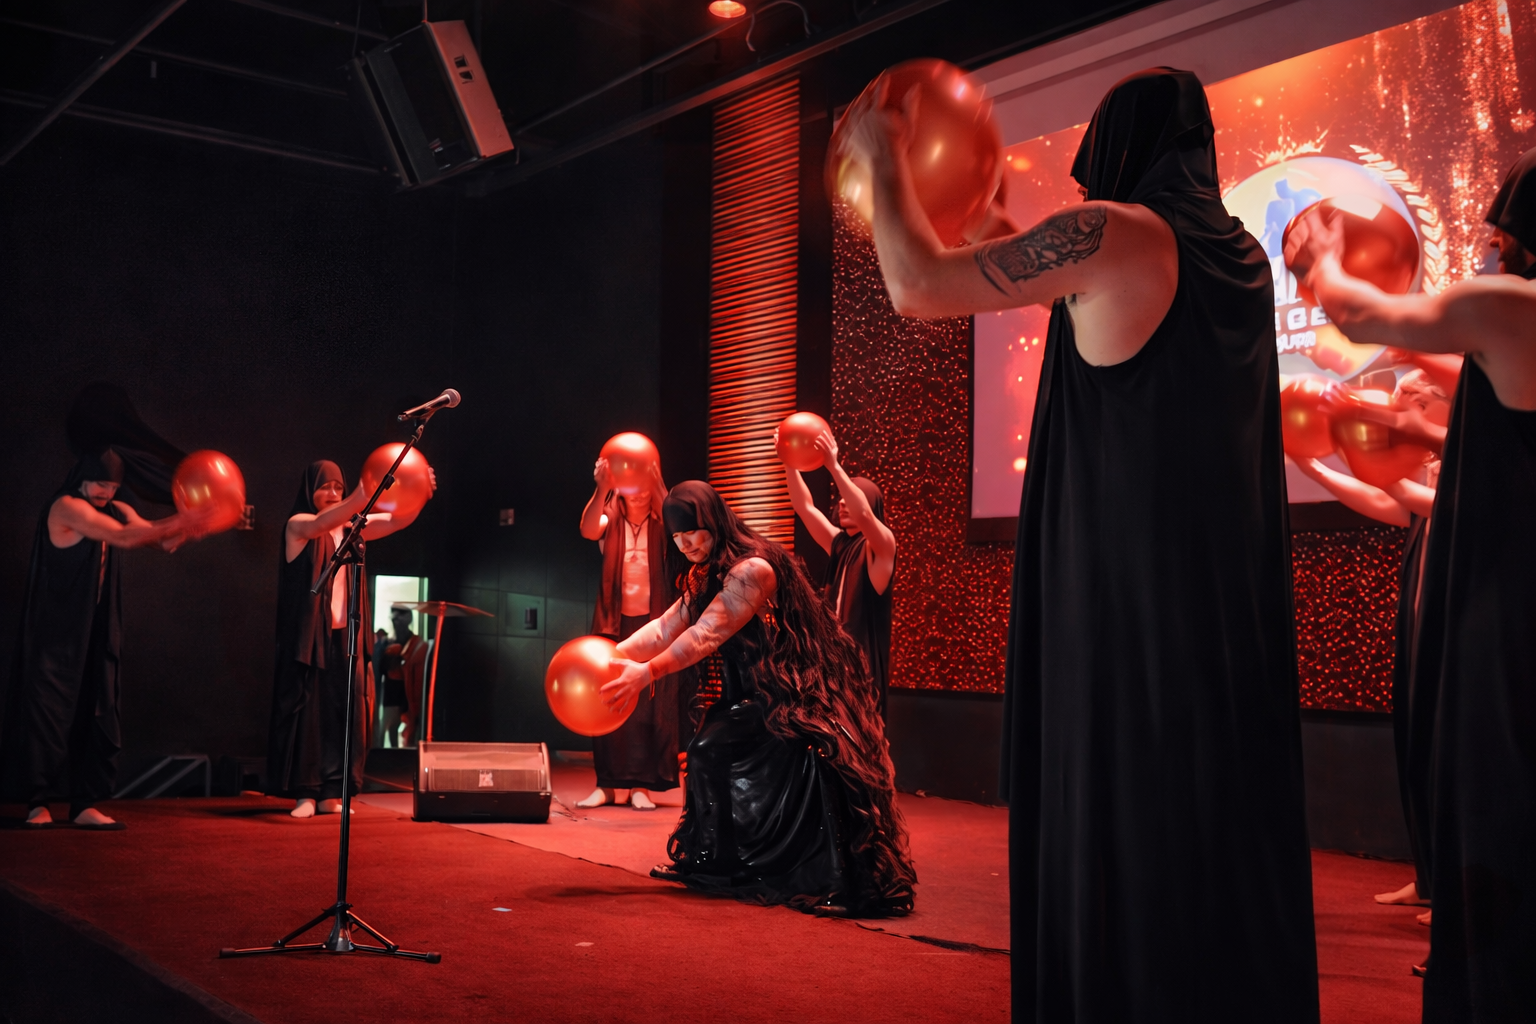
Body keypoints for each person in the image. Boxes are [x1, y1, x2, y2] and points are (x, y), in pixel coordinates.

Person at [851, 67, 1319, 1018]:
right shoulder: (1234, 256)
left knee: (1124, 827)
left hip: (1120, 618)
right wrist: (985, 210)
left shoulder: (1115, 233)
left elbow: (916, 286)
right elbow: (1082, 304)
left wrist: (882, 154)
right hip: (1210, 626)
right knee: (1203, 833)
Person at [1286, 145, 1536, 1022]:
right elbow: (1474, 380)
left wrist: (1323, 256)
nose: (1488, 250)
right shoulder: (1517, 326)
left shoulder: (1514, 304)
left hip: (1508, 595)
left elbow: (1360, 311)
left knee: (1498, 786)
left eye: (1498, 236)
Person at [600, 481, 916, 916]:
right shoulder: (706, 572)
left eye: (692, 531)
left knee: (742, 751)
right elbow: (666, 627)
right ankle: (714, 860)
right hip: (752, 692)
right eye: (676, 536)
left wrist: (646, 673)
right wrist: (610, 657)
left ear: (714, 521)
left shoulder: (754, 568)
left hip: (794, 692)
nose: (685, 544)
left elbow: (706, 634)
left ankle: (835, 881)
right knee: (706, 751)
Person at [1293, 368, 1455, 943]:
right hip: (1421, 624)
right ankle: (1431, 876)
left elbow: (1434, 505)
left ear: (1446, 406)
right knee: (1417, 746)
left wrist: (1362, 452)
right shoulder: (1426, 463)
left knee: (1451, 757)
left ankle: (1456, 892)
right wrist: (1318, 466)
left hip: (1457, 627)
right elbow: (1388, 503)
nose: (1398, 407)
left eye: (1414, 401)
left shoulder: (1473, 457)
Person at [2, 385, 199, 829]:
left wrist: (192, 526)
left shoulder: (116, 507)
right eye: (100, 484)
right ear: (82, 478)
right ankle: (37, 801)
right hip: (56, 632)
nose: (105, 493)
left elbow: (158, 539)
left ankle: (85, 802)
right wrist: (182, 519)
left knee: (97, 708)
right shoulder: (67, 507)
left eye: (112, 487)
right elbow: (125, 537)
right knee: (48, 714)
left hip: (96, 630)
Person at [268, 461, 431, 818]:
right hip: (309, 640)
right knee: (309, 714)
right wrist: (363, 493)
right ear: (309, 490)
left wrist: (419, 492)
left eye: (338, 488)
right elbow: (320, 523)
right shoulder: (298, 524)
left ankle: (331, 790)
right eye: (325, 487)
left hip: (345, 638)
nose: (332, 494)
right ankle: (305, 793)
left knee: (343, 713)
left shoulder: (351, 528)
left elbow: (397, 520)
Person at [576, 453, 682, 810]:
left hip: (653, 624)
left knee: (648, 707)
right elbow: (588, 529)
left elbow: (677, 522)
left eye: (644, 484)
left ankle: (641, 786)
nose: (638, 491)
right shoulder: (611, 518)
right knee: (606, 701)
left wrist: (658, 484)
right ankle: (607, 785)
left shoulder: (663, 521)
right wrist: (602, 487)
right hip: (612, 622)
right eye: (631, 484)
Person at [780, 425, 896, 717]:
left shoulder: (882, 546)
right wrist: (789, 462)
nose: (842, 501)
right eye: (841, 497)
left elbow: (865, 515)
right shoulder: (840, 544)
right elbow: (804, 507)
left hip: (862, 673)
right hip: (832, 665)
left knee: (861, 737)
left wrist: (833, 466)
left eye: (850, 496)